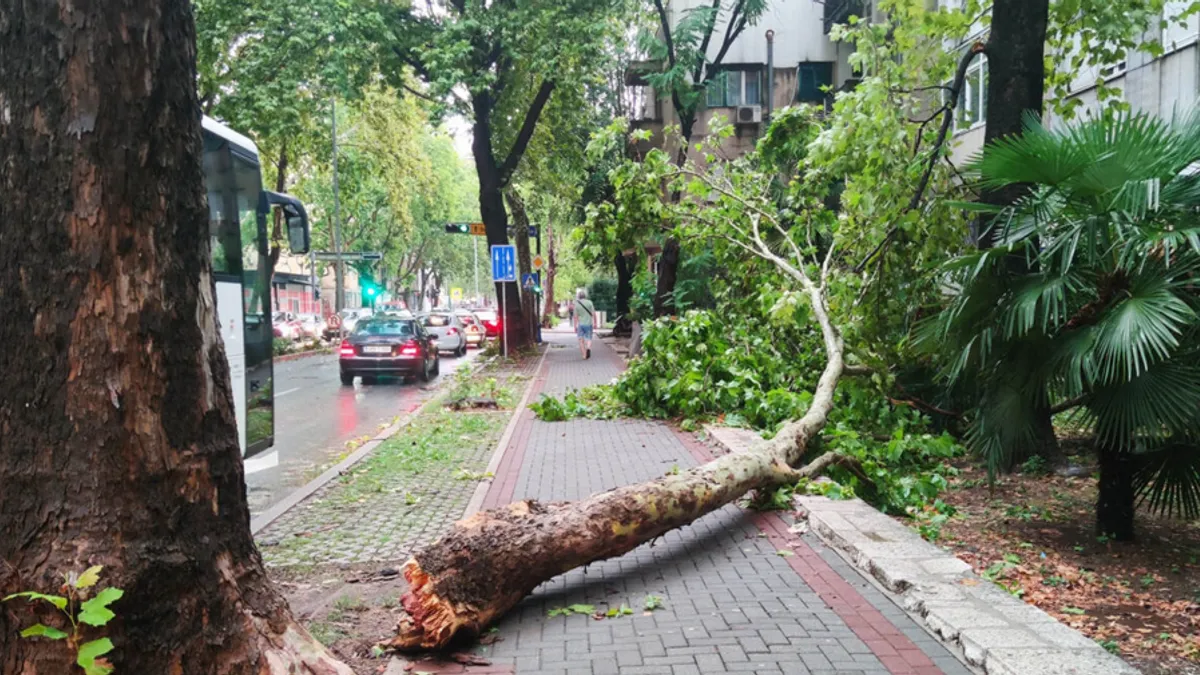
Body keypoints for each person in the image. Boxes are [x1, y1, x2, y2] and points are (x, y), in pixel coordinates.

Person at [573, 288, 595, 360]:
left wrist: (575, 326)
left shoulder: (576, 304)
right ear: (585, 296)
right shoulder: (590, 302)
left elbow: (575, 317)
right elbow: (593, 314)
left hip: (581, 325)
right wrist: (595, 323)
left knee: (580, 340)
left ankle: (584, 355)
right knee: (589, 338)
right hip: (589, 324)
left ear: (579, 297)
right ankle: (588, 348)